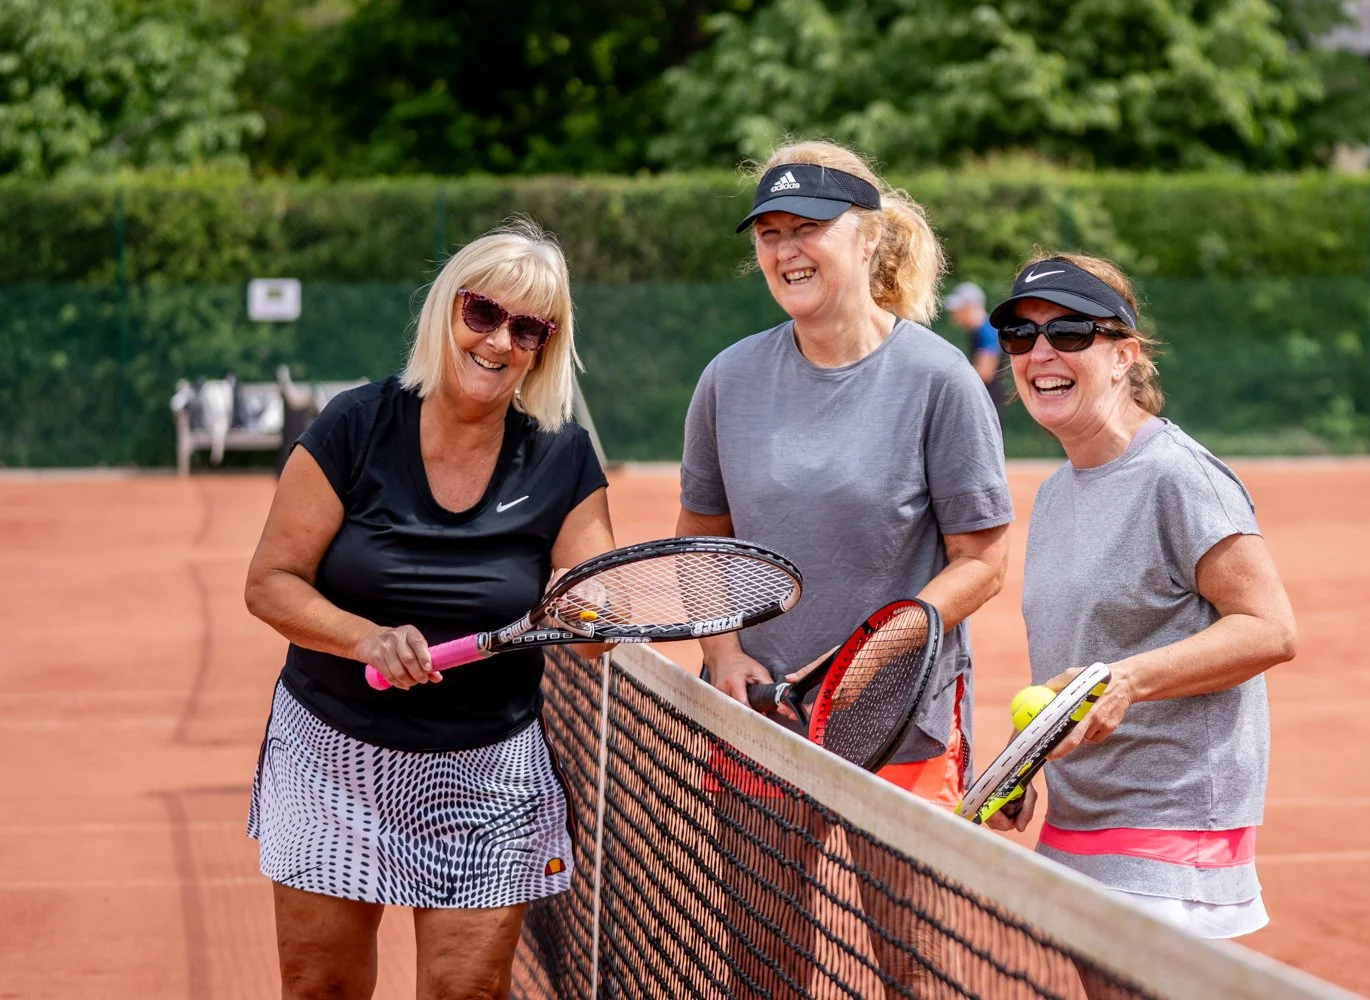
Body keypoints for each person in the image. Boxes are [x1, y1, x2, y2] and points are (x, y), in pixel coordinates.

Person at [243, 219, 613, 1000]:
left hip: (489, 774)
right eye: (482, 313)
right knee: (320, 989)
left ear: (544, 347)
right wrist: (365, 639)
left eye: (528, 328)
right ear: (446, 311)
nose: (498, 340)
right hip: (331, 759)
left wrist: (594, 613)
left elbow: (588, 618)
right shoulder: (354, 424)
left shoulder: (563, 456)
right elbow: (271, 582)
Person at [678, 140, 1013, 993]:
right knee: (764, 970)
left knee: (913, 967)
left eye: (809, 229)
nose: (786, 250)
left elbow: (983, 560)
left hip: (905, 722)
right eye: (769, 234)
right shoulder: (727, 379)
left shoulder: (942, 381)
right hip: (760, 719)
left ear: (867, 238)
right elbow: (701, 534)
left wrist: (882, 649)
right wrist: (722, 653)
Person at [982, 251, 1297, 945]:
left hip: (1171, 822)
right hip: (1080, 817)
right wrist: (1022, 759)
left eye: (1069, 333)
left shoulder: (1177, 476)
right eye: (1021, 337)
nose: (1041, 353)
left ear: (1124, 355)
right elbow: (1077, 661)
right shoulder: (1059, 491)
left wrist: (1126, 682)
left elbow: (1271, 629)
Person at [943, 280, 1006, 421]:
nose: (954, 314)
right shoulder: (977, 331)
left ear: (970, 307)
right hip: (981, 404)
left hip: (986, 408)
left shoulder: (987, 330)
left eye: (958, 308)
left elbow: (984, 373)